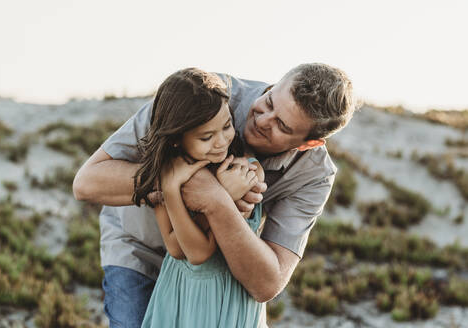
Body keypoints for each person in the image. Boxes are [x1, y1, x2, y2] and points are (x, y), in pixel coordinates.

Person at [73, 63, 357, 327]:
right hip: (140, 251)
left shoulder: (314, 174)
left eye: (281, 125)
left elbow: (266, 283)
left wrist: (218, 204)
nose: (262, 119)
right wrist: (196, 184)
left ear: (310, 144)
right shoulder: (201, 94)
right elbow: (87, 183)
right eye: (269, 101)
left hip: (213, 281)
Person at [133, 68, 266, 327]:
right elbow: (174, 247)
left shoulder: (246, 172)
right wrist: (170, 187)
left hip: (224, 301)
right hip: (178, 296)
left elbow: (199, 251)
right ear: (175, 140)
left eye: (227, 126)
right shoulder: (166, 171)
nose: (221, 142)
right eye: (206, 137)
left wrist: (219, 195)